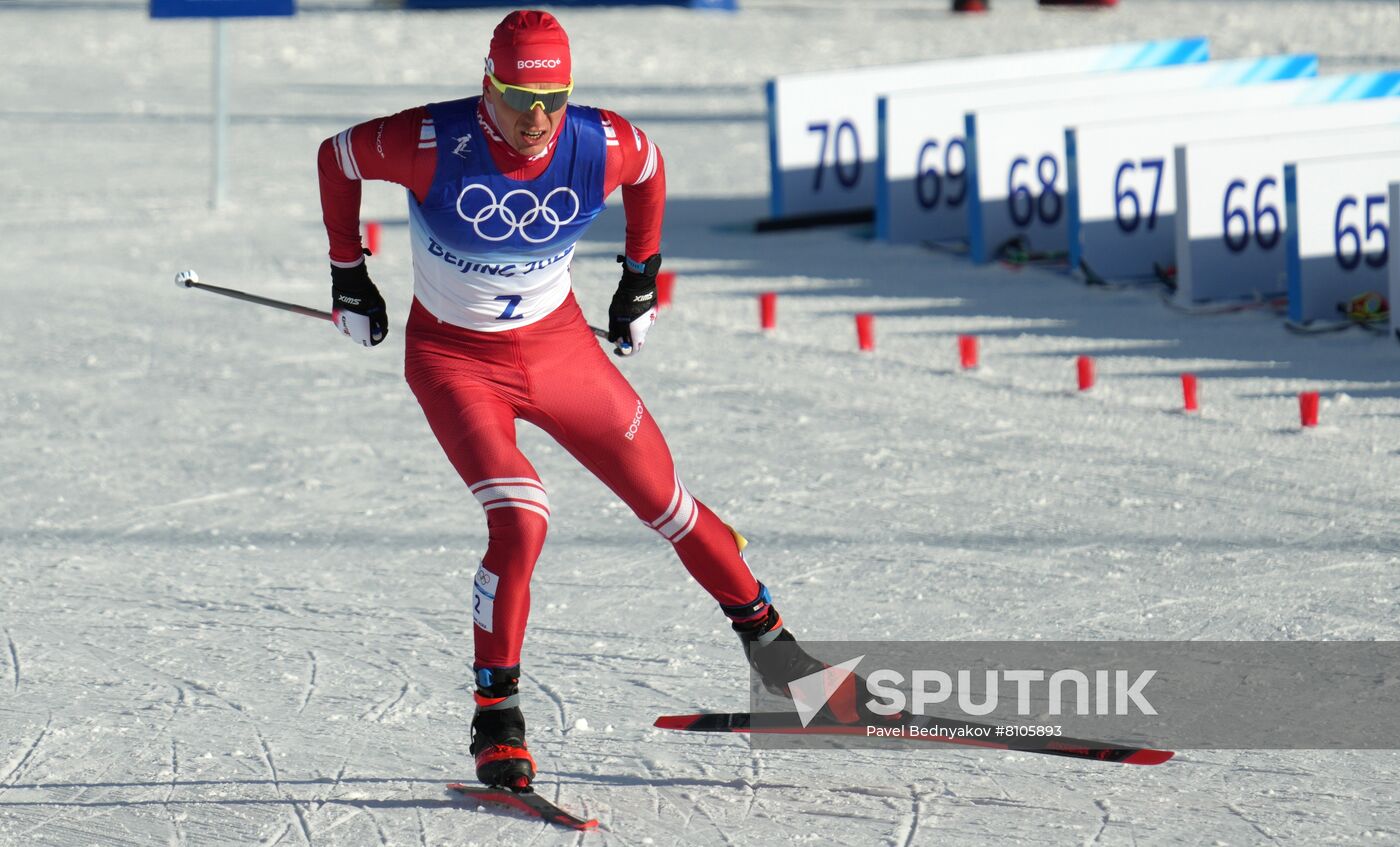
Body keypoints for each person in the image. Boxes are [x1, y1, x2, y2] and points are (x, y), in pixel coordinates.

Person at [316, 9, 864, 791]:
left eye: (553, 99)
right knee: (523, 515)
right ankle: (496, 716)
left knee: (667, 502)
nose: (536, 119)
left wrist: (639, 276)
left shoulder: (598, 142)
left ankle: (778, 655)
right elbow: (336, 159)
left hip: (559, 348)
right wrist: (348, 272)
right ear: (487, 87)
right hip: (454, 360)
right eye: (516, 99)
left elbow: (650, 169)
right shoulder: (430, 142)